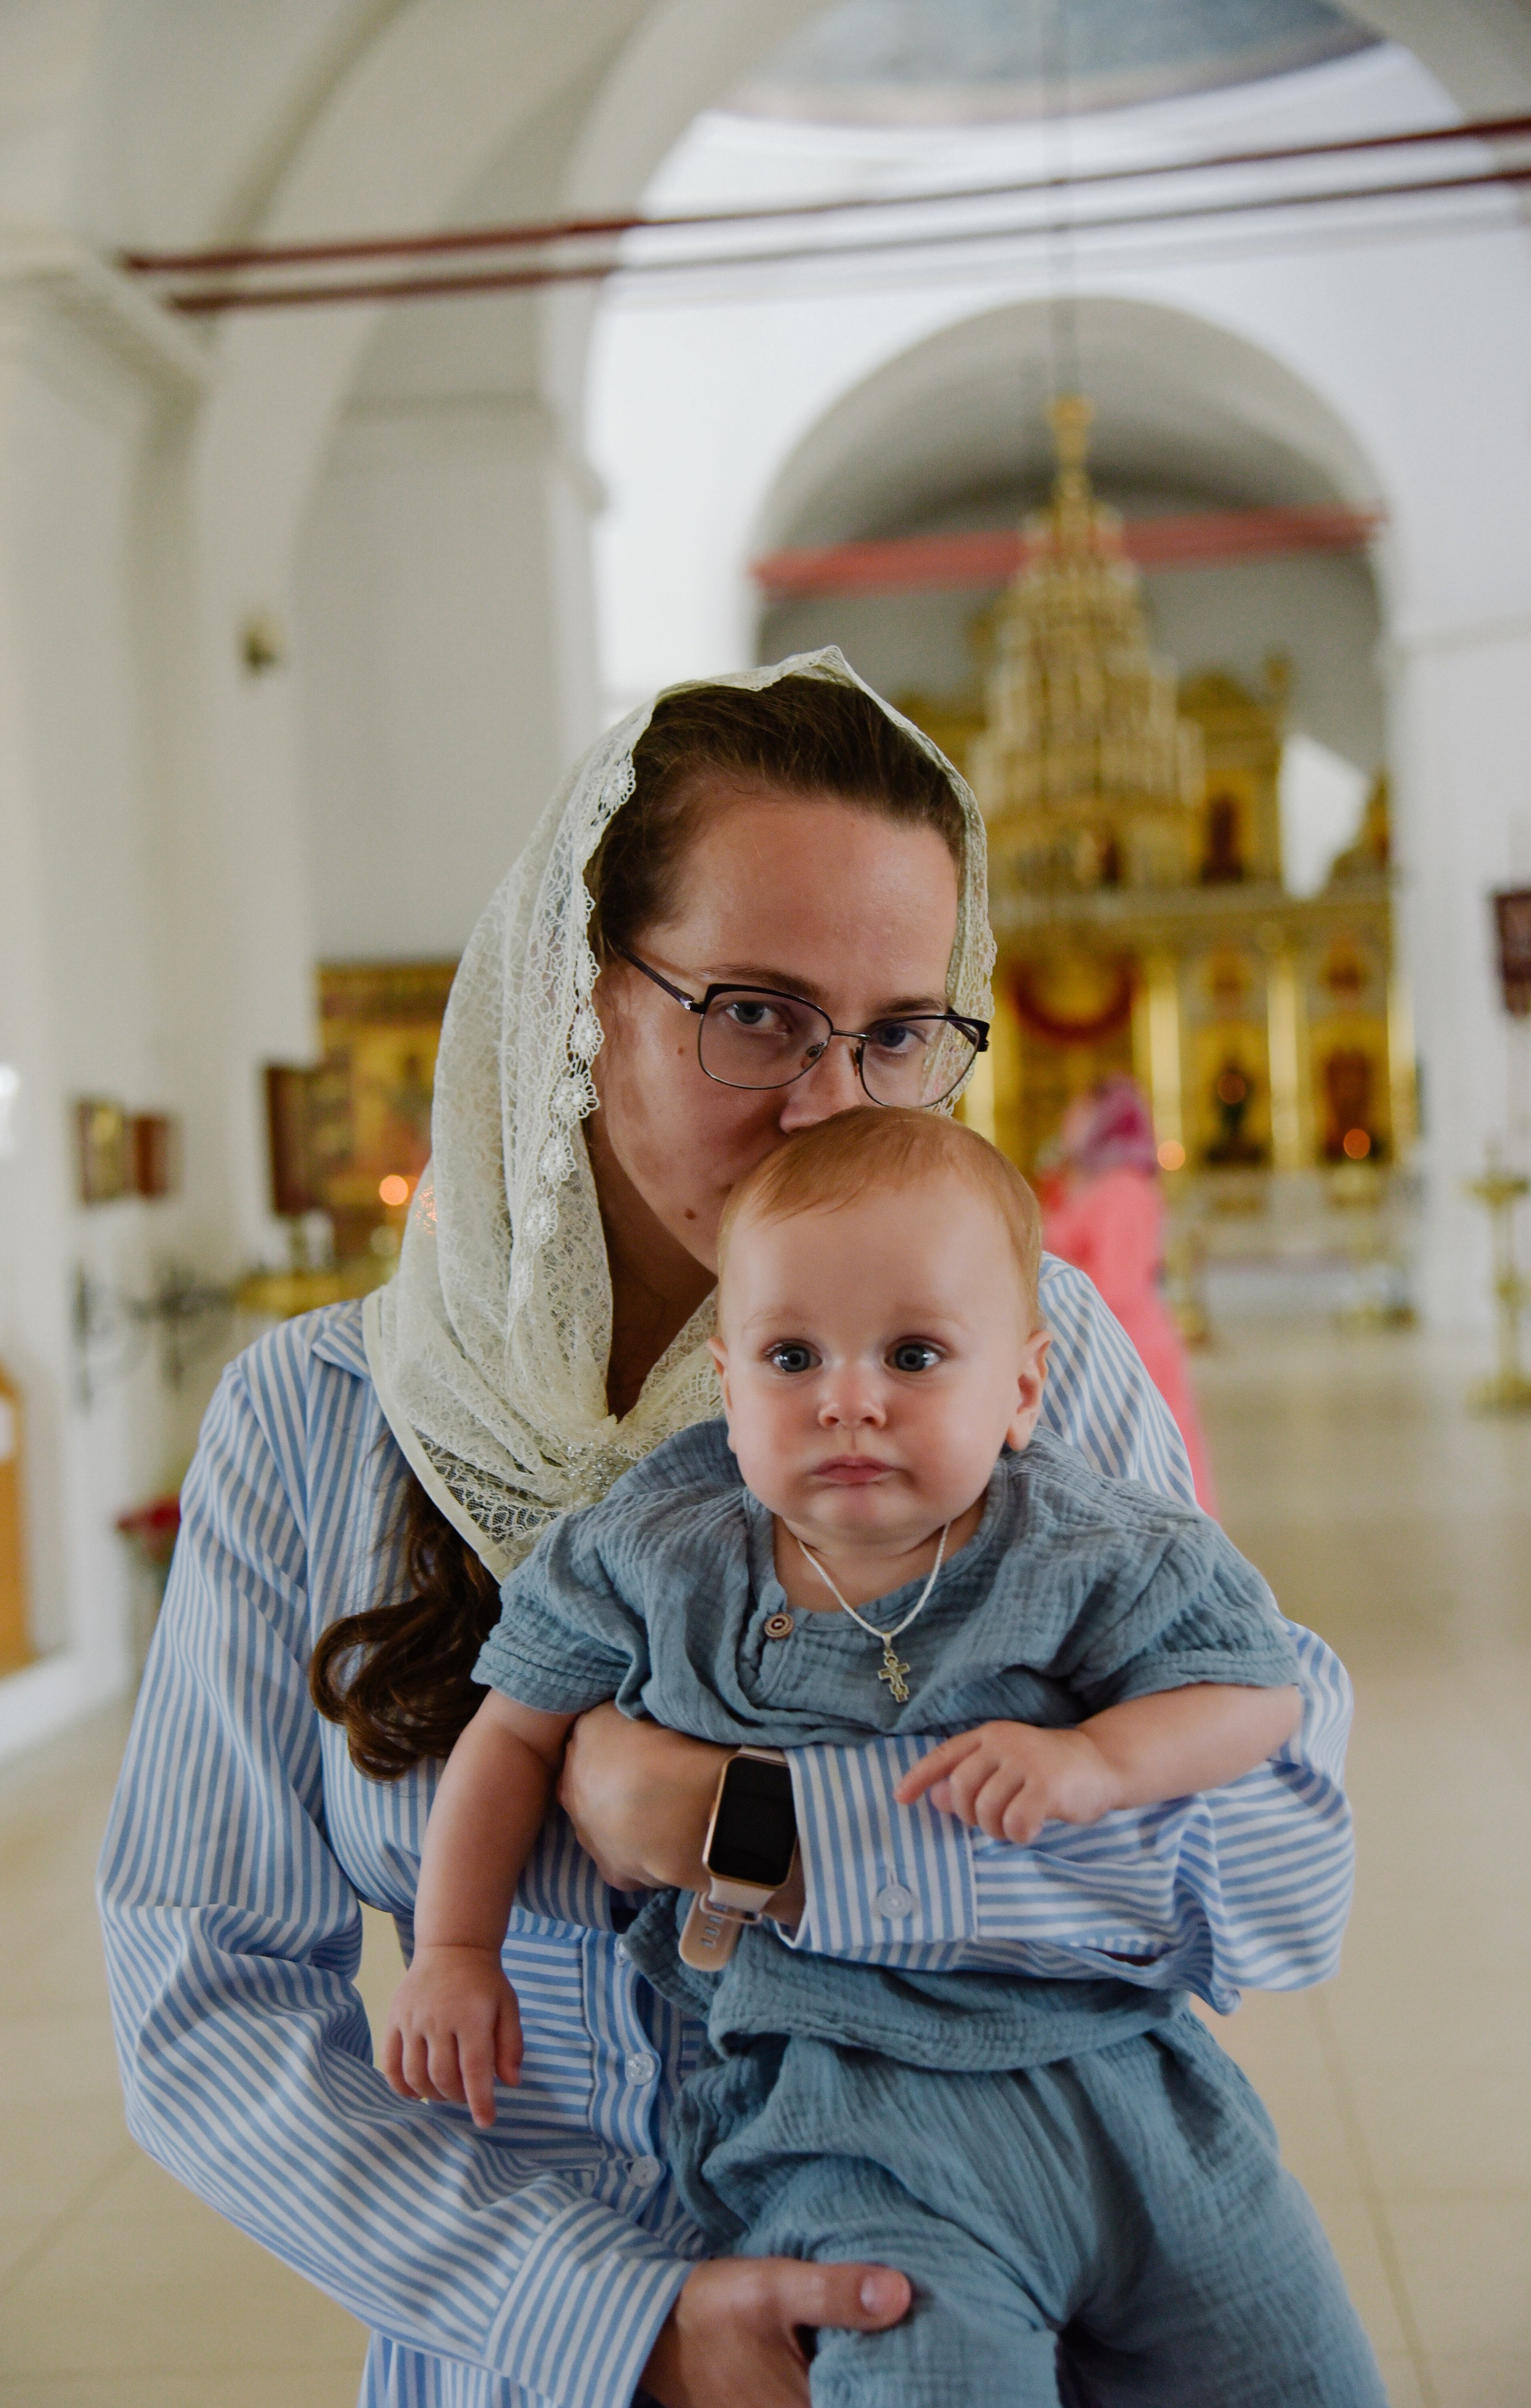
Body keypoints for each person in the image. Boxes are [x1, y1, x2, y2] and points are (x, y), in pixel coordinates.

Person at [99, 654, 1358, 2408]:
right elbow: (202, 1999)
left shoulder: (1010, 1368)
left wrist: (748, 1822)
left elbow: (1274, 1880)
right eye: (754, 1011)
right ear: (581, 994)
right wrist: (619, 2319)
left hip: (974, 2307)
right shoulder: (319, 1420)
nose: (833, 1103)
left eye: (901, 1029)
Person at [382, 1107, 1381, 2405]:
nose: (847, 1396)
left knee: (1290, 2365)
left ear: (1021, 1387)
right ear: (728, 1385)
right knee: (923, 2374)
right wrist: (452, 1950)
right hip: (844, 2113)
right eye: (791, 1355)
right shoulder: (660, 1548)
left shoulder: (1090, 1543)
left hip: (1124, 2083)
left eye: (913, 1354)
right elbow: (509, 1731)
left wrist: (1098, 1764)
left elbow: (1251, 1696)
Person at [1042, 1075, 1216, 1512]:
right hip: (1096, 1336)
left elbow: (1116, 1284)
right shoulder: (1084, 1182)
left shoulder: (1124, 1188)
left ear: (1105, 1121)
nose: (1067, 1120)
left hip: (1126, 1342)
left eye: (1078, 1112)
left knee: (1145, 1468)